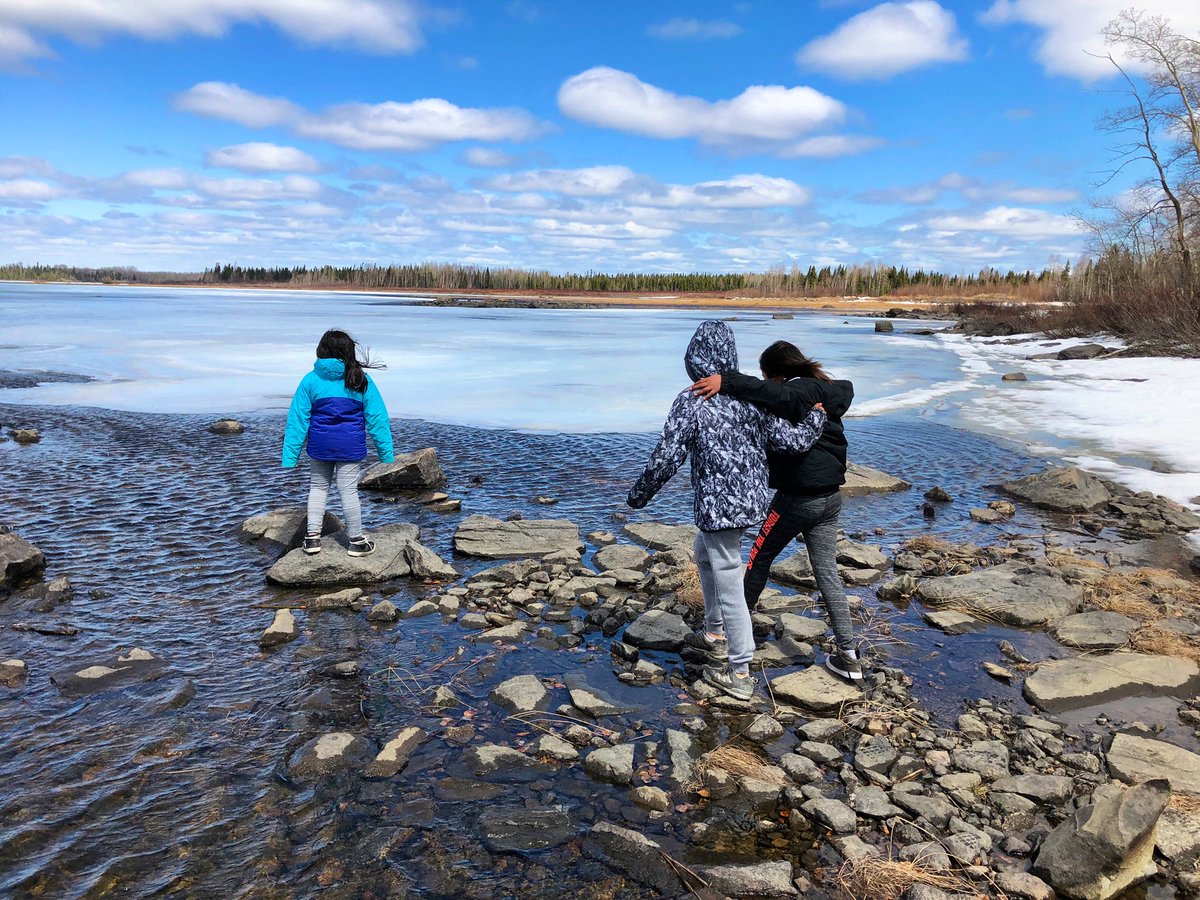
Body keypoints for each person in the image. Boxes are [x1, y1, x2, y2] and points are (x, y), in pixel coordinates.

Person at [627, 322, 827, 702]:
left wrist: (639, 496)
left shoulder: (693, 400)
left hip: (720, 506)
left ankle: (740, 671)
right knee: (705, 554)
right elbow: (791, 441)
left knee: (730, 577)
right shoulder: (750, 396)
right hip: (748, 501)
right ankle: (714, 634)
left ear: (694, 358)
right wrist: (815, 417)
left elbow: (668, 457)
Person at [690, 340, 862, 681]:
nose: (766, 382)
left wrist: (727, 381)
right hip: (830, 497)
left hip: (798, 499)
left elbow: (775, 397)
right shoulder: (825, 389)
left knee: (757, 560)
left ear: (778, 372)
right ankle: (849, 656)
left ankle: (729, 638)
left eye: (767, 375)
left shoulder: (800, 391)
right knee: (827, 572)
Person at [283, 329, 394, 557]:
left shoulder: (310, 380)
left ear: (321, 350)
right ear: (349, 351)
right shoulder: (360, 379)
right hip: (349, 446)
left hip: (320, 446)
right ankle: (356, 541)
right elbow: (377, 419)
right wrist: (385, 454)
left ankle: (312, 540)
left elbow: (297, 420)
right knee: (348, 491)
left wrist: (290, 456)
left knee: (318, 488)